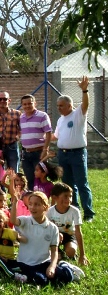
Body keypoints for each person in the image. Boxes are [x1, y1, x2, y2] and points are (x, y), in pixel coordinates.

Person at [10, 191, 79, 285]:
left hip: (44, 263)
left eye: (37, 204)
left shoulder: (52, 228)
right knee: (40, 280)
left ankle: (64, 266)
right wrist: (15, 202)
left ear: (45, 207)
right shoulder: (25, 221)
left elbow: (54, 251)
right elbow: (13, 220)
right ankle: (35, 276)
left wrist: (52, 266)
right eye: (30, 204)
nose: (32, 207)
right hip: (25, 263)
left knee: (66, 276)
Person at [53, 76, 94, 222]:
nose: (59, 108)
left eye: (61, 106)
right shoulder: (60, 120)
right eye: (58, 106)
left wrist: (84, 90)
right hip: (63, 155)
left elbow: (85, 104)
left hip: (77, 154)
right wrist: (41, 138)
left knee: (82, 183)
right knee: (68, 185)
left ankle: (89, 213)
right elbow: (55, 136)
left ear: (69, 105)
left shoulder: (78, 114)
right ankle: (74, 210)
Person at [47, 183, 88, 266]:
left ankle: (66, 251)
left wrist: (82, 255)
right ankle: (58, 252)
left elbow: (78, 232)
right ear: (55, 197)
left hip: (69, 234)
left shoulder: (75, 211)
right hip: (55, 235)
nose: (69, 199)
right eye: (65, 196)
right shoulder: (50, 211)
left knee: (71, 251)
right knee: (51, 256)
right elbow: (48, 229)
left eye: (70, 196)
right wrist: (57, 234)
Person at [19, 94, 53, 189]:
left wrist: (45, 150)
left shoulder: (42, 116)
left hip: (39, 153)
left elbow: (48, 133)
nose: (27, 106)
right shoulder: (21, 118)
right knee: (30, 179)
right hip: (26, 154)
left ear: (35, 103)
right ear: (22, 105)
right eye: (24, 104)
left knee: (41, 178)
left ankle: (43, 199)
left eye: (30, 103)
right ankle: (31, 200)